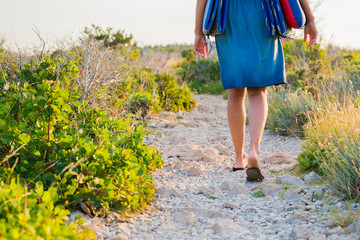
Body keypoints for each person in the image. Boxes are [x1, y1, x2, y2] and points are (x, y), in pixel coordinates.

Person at [194, 0, 317, 181]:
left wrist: (198, 32)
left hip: (226, 15)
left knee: (235, 91)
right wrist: (310, 20)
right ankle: (254, 151)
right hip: (263, 12)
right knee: (258, 91)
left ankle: (239, 158)